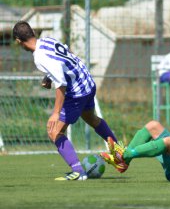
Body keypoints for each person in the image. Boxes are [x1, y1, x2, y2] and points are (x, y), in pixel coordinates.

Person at [12, 21, 124, 181]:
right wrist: (48, 77)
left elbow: (62, 84)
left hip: (76, 92)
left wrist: (55, 113)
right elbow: (66, 57)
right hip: (87, 81)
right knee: (91, 118)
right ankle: (119, 153)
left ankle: (78, 172)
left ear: (18, 41)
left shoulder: (39, 57)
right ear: (33, 33)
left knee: (54, 132)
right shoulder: (48, 41)